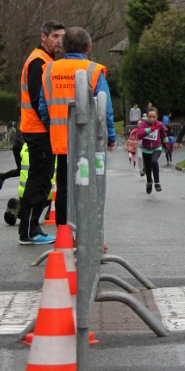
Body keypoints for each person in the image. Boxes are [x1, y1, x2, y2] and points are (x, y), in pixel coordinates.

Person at [41, 27, 117, 229]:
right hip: (87, 140)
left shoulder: (50, 70)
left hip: (61, 140)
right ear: (88, 47)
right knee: (87, 185)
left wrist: (53, 126)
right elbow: (105, 109)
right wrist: (110, 136)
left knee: (64, 186)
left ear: (64, 47)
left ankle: (64, 231)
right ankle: (86, 231)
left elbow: (43, 107)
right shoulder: (94, 70)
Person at [18, 20, 64, 245]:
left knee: (43, 178)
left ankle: (30, 228)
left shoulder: (46, 59)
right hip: (38, 128)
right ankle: (29, 230)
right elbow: (38, 100)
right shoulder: (39, 61)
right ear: (43, 37)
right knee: (39, 179)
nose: (60, 41)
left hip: (39, 128)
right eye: (55, 36)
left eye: (62, 36)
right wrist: (50, 124)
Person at [135, 107, 169, 194]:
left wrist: (167, 143)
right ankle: (149, 182)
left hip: (157, 147)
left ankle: (157, 183)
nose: (152, 119)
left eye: (154, 117)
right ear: (147, 116)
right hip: (146, 149)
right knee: (147, 167)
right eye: (150, 117)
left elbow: (163, 134)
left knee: (154, 161)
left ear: (157, 116)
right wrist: (149, 130)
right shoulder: (143, 124)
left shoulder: (159, 124)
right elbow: (139, 135)